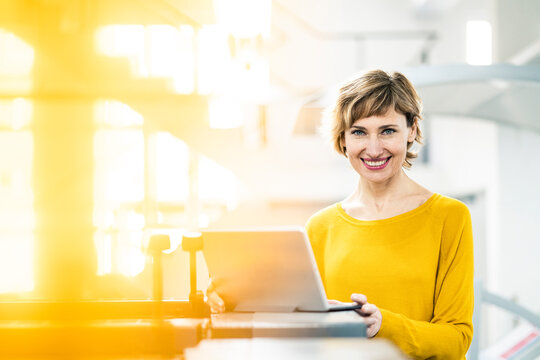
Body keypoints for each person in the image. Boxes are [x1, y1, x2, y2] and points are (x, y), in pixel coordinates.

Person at [208, 70, 474, 359]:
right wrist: (233, 299)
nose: (373, 149)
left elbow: (456, 339)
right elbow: (300, 324)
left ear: (411, 130)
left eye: (387, 130)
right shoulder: (321, 227)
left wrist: (385, 325)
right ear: (343, 138)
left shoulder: (450, 217)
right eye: (359, 132)